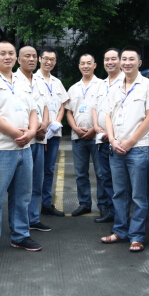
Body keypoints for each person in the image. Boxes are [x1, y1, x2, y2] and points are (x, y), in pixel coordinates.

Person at [0, 40, 42, 261]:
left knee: (22, 197)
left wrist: (31, 132)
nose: (8, 57)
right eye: (2, 53)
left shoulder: (22, 82)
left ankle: (20, 235)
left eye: (11, 53)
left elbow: (33, 111)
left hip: (24, 148)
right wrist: (16, 134)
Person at [101, 46, 149, 253]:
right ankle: (120, 231)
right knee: (119, 193)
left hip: (138, 148)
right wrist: (112, 140)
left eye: (131, 59)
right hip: (116, 147)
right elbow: (108, 116)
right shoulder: (115, 88)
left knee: (138, 195)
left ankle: (136, 236)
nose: (127, 63)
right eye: (124, 59)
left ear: (139, 63)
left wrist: (129, 142)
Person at [13, 45, 52, 233]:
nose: (31, 59)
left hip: (39, 139)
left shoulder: (39, 81)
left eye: (34, 56)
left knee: (37, 181)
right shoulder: (13, 81)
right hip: (23, 140)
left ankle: (33, 218)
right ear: (19, 60)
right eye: (27, 56)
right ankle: (19, 223)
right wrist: (33, 128)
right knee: (21, 186)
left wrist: (45, 124)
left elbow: (45, 106)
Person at [65, 54, 108, 217]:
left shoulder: (102, 85)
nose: (85, 66)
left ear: (95, 65)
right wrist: (75, 128)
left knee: (101, 173)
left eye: (89, 63)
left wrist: (94, 129)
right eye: (82, 63)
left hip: (97, 137)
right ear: (79, 66)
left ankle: (103, 205)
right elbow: (69, 112)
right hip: (78, 137)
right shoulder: (73, 88)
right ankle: (84, 203)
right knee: (80, 173)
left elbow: (106, 109)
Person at [33, 47, 69, 218]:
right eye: (46, 58)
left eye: (52, 59)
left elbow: (63, 104)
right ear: (40, 59)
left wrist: (57, 122)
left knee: (49, 169)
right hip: (38, 132)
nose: (49, 62)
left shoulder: (57, 82)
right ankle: (32, 207)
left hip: (53, 133)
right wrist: (41, 126)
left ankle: (46, 204)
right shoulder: (33, 79)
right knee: (35, 170)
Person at [91, 48, 123, 224]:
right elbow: (95, 108)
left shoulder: (126, 82)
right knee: (106, 178)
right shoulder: (101, 84)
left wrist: (110, 134)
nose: (109, 62)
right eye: (106, 59)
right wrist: (96, 127)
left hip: (118, 140)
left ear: (120, 61)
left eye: (113, 59)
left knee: (120, 181)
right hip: (101, 140)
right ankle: (111, 212)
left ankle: (121, 217)